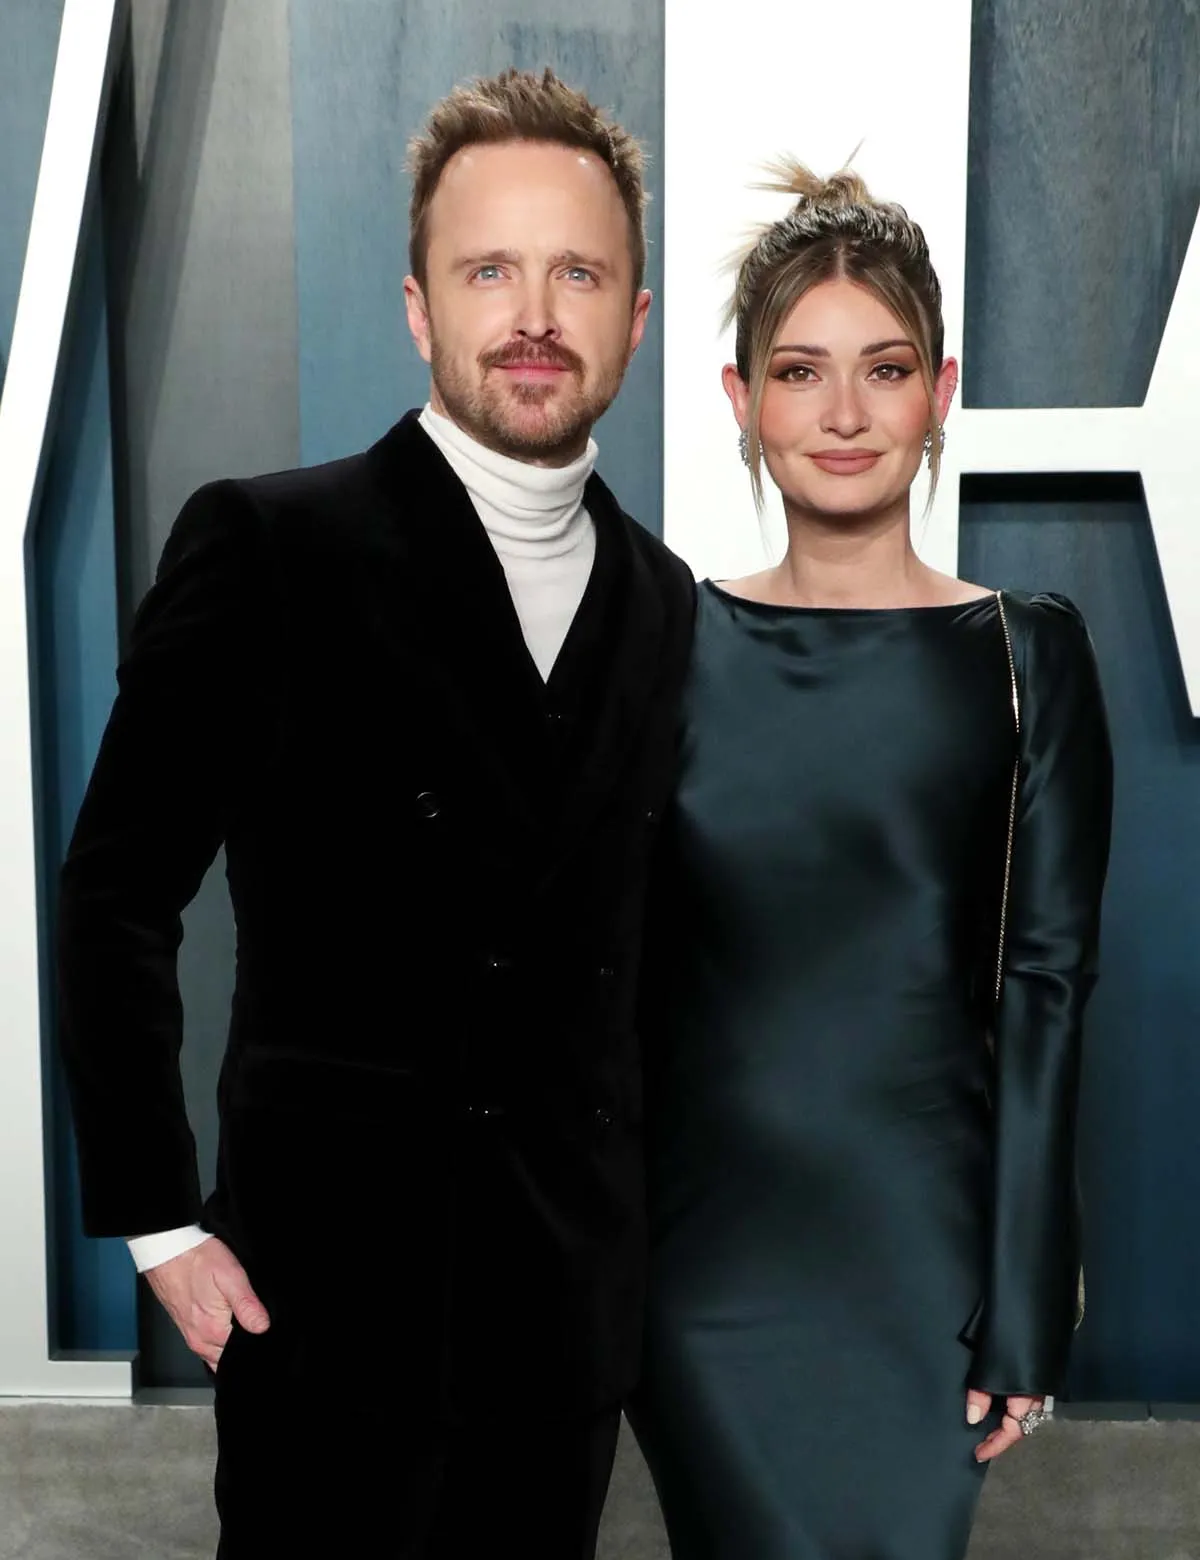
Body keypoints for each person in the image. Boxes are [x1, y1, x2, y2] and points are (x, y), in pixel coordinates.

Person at [57, 68, 694, 1559]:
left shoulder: (664, 602)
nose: (533, 314)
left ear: (635, 319)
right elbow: (116, 890)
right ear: (418, 307)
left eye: (577, 274)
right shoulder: (271, 546)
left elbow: (647, 962)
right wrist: (159, 1222)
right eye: (488, 270)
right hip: (327, 1317)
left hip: (565, 1336)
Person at [629, 163, 1112, 1560]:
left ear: (940, 391)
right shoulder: (663, 647)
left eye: (885, 369)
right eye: (800, 371)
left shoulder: (1028, 654)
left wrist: (1028, 1293)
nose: (844, 413)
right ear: (741, 400)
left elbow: (1047, 992)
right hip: (701, 1274)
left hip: (926, 1277)